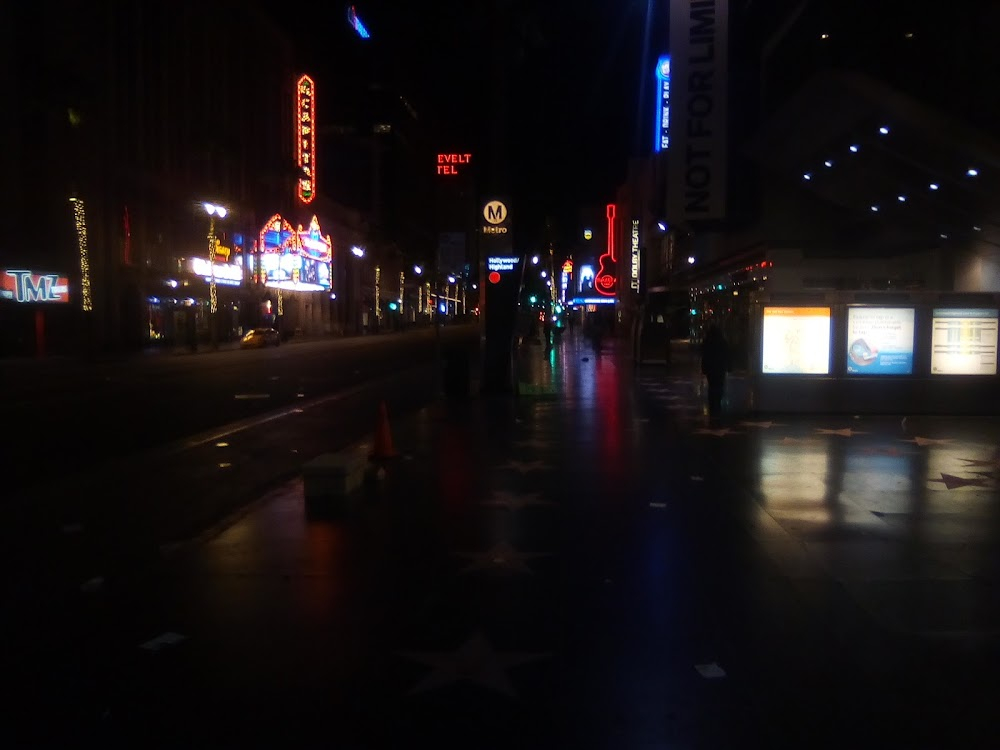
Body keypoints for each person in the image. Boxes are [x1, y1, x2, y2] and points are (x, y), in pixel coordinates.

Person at [701, 324, 729, 419]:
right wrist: (728, 367)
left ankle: (712, 405)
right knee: (719, 386)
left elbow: (704, 356)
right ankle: (717, 405)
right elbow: (727, 355)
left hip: (710, 368)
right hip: (720, 368)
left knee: (712, 386)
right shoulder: (723, 342)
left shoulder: (707, 342)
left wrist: (704, 368)